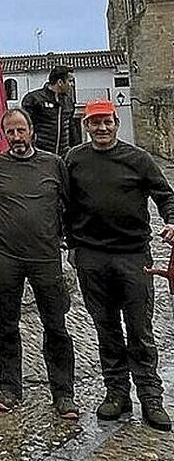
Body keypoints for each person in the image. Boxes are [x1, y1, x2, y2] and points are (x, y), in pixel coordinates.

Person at [0, 108, 77, 418]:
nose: (16, 137)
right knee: (7, 325)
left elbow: (70, 204)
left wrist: (65, 236)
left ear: (32, 131)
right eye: (10, 132)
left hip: (46, 258)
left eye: (20, 130)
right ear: (4, 135)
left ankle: (63, 393)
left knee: (56, 326)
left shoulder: (53, 164)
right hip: (7, 257)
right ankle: (10, 388)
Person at [65, 99, 174, 432]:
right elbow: (63, 202)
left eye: (107, 122)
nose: (101, 128)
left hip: (133, 256)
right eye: (95, 122)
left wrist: (172, 221)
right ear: (87, 126)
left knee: (140, 330)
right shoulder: (75, 159)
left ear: (116, 124)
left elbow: (166, 195)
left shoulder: (138, 159)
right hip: (91, 257)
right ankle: (116, 393)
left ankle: (151, 398)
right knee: (107, 330)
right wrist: (70, 243)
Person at [22, 65, 79, 157]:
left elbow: (71, 127)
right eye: (70, 81)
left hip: (63, 156)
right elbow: (25, 126)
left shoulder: (68, 101)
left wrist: (76, 149)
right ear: (60, 82)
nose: (72, 85)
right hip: (41, 155)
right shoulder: (34, 99)